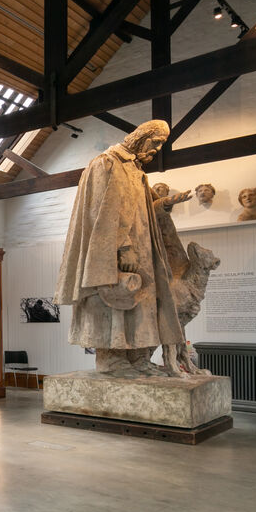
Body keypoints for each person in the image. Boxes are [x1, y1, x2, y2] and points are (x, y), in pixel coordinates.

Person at [54, 120, 186, 378]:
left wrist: (163, 205)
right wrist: (122, 248)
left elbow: (143, 211)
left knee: (143, 302)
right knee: (114, 300)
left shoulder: (136, 171)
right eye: (156, 142)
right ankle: (112, 360)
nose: (157, 149)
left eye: (161, 144)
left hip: (143, 250)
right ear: (140, 137)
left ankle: (137, 358)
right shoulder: (106, 163)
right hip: (115, 254)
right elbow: (102, 212)